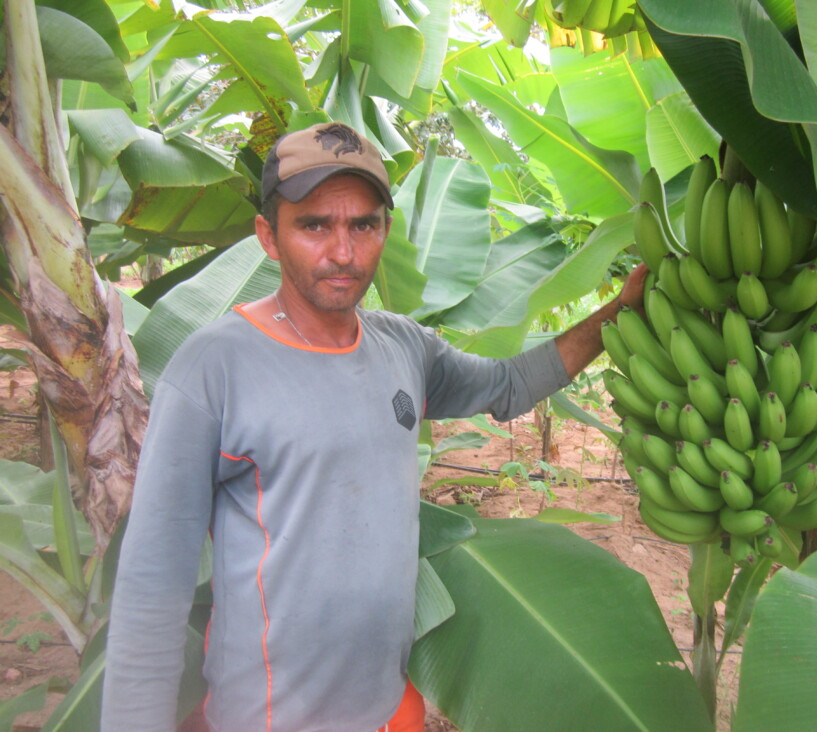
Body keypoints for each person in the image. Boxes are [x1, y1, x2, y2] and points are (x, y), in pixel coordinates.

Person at [102, 121, 648, 732]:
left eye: (363, 224)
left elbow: (509, 386)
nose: (344, 251)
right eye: (314, 224)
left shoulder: (402, 347)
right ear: (269, 236)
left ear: (384, 230)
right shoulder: (214, 367)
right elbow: (154, 585)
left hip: (387, 710)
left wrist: (619, 314)